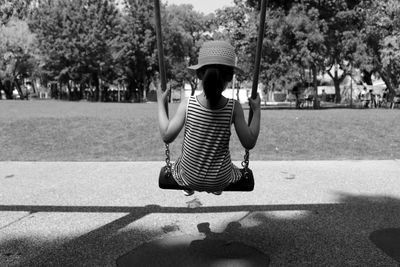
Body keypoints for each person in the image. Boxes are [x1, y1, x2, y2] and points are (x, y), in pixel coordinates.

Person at [157, 40, 261, 196]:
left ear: (199, 74)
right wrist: (257, 110)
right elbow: (249, 142)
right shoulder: (234, 107)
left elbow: (166, 135)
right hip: (220, 178)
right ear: (229, 76)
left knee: (181, 163)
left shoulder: (188, 104)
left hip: (189, 176)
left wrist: (160, 102)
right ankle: (216, 187)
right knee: (225, 169)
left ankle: (189, 185)